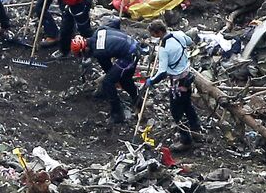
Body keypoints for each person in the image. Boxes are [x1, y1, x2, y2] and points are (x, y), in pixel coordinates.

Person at [145, 20, 202, 152]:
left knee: (176, 112)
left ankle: (186, 140)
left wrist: (151, 81)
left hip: (177, 83)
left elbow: (163, 72)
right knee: (187, 105)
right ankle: (195, 129)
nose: (153, 36)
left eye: (153, 34)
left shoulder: (164, 49)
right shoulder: (179, 34)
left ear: (158, 32)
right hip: (187, 77)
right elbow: (189, 42)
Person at [70, 23, 141, 123]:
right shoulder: (99, 31)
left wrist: (112, 83)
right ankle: (138, 101)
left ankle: (117, 114)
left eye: (83, 54)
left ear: (85, 48)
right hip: (133, 44)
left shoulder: (98, 51)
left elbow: (107, 68)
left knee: (109, 82)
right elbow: (116, 22)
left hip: (129, 55)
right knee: (123, 79)